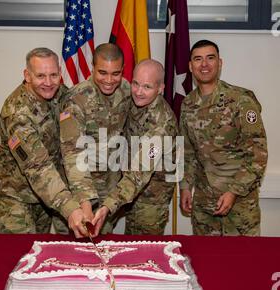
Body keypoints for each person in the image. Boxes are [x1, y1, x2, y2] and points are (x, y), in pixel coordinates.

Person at [0, 47, 92, 237]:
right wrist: (71, 208)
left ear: (60, 74)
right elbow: (38, 168)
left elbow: (73, 147)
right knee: (19, 256)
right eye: (40, 76)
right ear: (27, 75)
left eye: (53, 75)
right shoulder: (17, 113)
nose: (48, 82)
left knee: (42, 254)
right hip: (16, 198)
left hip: (47, 196)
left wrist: (84, 199)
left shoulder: (61, 95)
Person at [179, 39, 268, 236]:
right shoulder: (188, 104)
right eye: (198, 59)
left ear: (220, 63)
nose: (204, 64)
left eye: (210, 58)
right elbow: (187, 151)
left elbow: (257, 155)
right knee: (205, 261)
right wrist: (185, 187)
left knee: (243, 262)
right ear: (190, 66)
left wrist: (234, 192)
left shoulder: (240, 101)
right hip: (204, 206)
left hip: (240, 205)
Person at [92, 59, 179, 235]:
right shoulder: (133, 99)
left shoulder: (162, 125)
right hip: (126, 191)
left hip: (150, 201)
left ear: (160, 88)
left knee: (142, 251)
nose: (138, 92)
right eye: (136, 83)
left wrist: (108, 205)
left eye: (147, 87)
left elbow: (138, 172)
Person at [60, 43, 130, 237]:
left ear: (123, 70)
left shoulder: (127, 90)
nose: (109, 80)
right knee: (72, 251)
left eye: (115, 73)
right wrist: (85, 202)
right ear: (92, 67)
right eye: (102, 72)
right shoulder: (76, 99)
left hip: (109, 188)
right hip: (78, 188)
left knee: (104, 247)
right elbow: (73, 154)